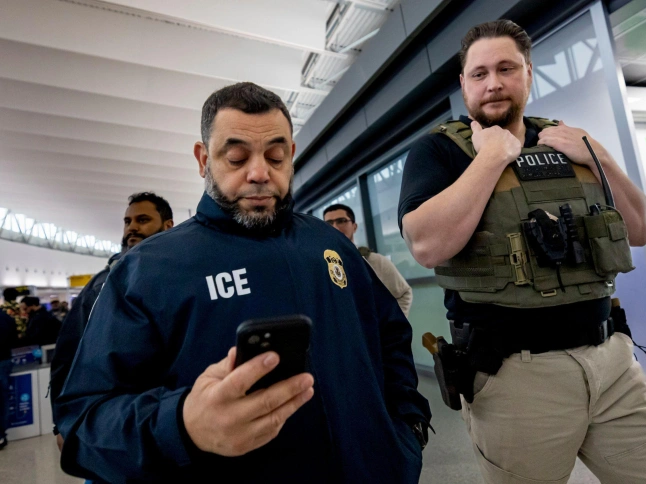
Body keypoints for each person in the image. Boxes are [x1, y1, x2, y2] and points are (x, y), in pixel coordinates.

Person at [55, 82, 430, 483]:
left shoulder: (329, 243)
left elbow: (389, 333)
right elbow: (83, 422)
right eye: (236, 158)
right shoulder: (149, 270)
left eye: (275, 156)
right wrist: (183, 425)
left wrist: (406, 430)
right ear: (203, 160)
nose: (259, 173)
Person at [399, 19, 646, 484]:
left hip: (613, 362)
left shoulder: (565, 140)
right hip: (516, 376)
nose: (493, 83)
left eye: (506, 69)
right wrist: (492, 157)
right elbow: (426, 244)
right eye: (479, 74)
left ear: (528, 74)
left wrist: (597, 152)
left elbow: (639, 228)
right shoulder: (440, 151)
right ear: (463, 84)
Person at [50, 191, 175, 450]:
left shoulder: (182, 277)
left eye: (142, 220)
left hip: (173, 415)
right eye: (128, 221)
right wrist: (63, 423)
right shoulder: (102, 284)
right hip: (114, 422)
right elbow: (69, 353)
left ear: (168, 225)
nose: (132, 228)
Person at [323, 203, 413, 316]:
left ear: (354, 226)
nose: (335, 227)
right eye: (328, 223)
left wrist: (393, 328)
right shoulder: (321, 265)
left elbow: (403, 293)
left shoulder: (375, 262)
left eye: (341, 221)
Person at [0, 309, 17, 450]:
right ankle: (1, 435)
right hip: (5, 359)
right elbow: (15, 339)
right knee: (2, 398)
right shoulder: (7, 318)